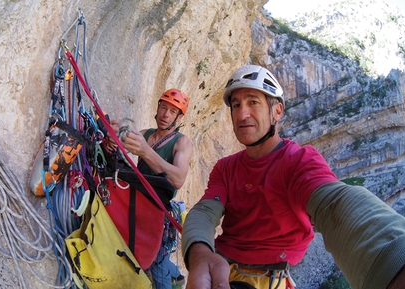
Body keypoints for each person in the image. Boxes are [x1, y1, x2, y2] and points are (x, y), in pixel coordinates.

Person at [181, 65, 405, 289]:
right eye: (236, 105)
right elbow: (205, 211)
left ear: (277, 111)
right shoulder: (225, 168)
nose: (242, 114)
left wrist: (393, 258)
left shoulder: (299, 161)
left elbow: (334, 203)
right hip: (222, 268)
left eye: (253, 102)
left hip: (266, 279)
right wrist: (199, 253)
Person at [116, 88, 193, 289]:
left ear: (178, 117)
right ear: (157, 108)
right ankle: (176, 276)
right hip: (138, 201)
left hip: (158, 210)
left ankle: (170, 280)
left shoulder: (182, 143)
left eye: (172, 111)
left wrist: (145, 151)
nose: (165, 114)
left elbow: (178, 179)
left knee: (156, 260)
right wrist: (114, 133)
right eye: (163, 107)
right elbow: (122, 142)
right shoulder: (146, 134)